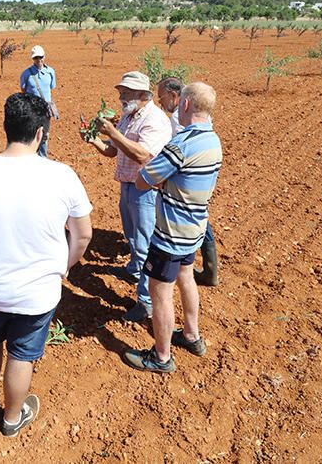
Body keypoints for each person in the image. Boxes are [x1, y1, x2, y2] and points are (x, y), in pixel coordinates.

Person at [0, 93, 93, 437]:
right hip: (39, 293)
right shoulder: (62, 175)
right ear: (40, 133)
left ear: (6, 127)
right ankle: (12, 418)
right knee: (22, 355)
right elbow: (82, 235)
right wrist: (64, 266)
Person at [123, 82, 223, 374]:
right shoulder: (212, 140)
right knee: (186, 276)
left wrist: (159, 175)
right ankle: (191, 335)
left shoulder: (182, 144)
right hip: (194, 228)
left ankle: (162, 356)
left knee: (160, 291)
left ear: (188, 104)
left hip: (170, 234)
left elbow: (144, 179)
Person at [84, 71, 172, 323]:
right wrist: (93, 139)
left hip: (146, 189)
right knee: (132, 234)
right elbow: (113, 151)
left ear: (144, 95)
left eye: (127, 93)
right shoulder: (129, 117)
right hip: (128, 184)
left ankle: (145, 302)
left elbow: (144, 156)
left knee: (145, 242)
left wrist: (112, 132)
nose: (121, 97)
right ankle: (134, 270)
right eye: (121, 92)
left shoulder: (154, 120)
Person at [156, 76, 219, 287]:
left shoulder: (178, 120)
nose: (160, 104)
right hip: (201, 174)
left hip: (180, 178)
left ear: (179, 99)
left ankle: (209, 271)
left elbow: (177, 152)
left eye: (161, 98)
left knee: (161, 287)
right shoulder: (208, 129)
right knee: (200, 217)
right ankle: (210, 271)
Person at [19, 45, 56, 157]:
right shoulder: (26, 73)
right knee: (32, 133)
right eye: (36, 58)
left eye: (40, 57)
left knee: (45, 134)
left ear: (44, 57)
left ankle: (43, 157)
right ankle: (30, 155)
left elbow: (52, 87)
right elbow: (23, 89)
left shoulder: (50, 72)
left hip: (45, 108)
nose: (38, 60)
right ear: (32, 59)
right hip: (32, 108)